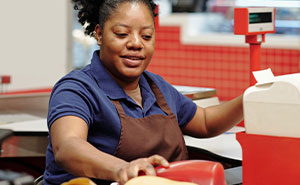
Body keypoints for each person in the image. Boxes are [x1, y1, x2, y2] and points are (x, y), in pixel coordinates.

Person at [43, 0, 243, 185]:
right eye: (122, 34)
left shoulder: (156, 87)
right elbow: (67, 146)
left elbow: (206, 122)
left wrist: (251, 99)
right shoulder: (77, 89)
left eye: (146, 36)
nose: (136, 43)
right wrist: (122, 168)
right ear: (99, 34)